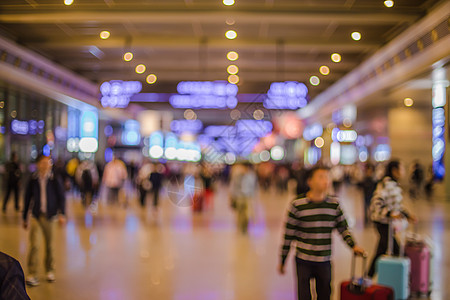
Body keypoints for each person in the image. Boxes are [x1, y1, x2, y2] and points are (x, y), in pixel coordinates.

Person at [279, 166, 365, 300]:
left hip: (324, 260)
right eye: (321, 177)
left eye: (327, 177)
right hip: (303, 260)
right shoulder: (297, 205)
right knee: (304, 296)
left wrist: (353, 245)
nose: (326, 180)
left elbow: (343, 228)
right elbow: (288, 235)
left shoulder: (333, 204)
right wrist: (282, 260)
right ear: (310, 181)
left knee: (325, 294)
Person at [367, 160, 417, 278]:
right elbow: (376, 203)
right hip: (382, 223)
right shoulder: (385, 184)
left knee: (380, 251)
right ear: (395, 170)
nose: (403, 171)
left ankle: (368, 277)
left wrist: (407, 215)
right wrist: (389, 214)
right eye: (402, 168)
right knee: (399, 252)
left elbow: (396, 205)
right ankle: (405, 281)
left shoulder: (393, 184)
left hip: (387, 224)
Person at [22, 154, 66, 286]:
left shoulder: (54, 179)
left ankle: (50, 270)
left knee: (50, 246)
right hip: (37, 216)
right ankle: (32, 273)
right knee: (34, 245)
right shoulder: (33, 179)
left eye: (48, 163)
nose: (45, 165)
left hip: (51, 216)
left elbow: (61, 197)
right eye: (42, 163)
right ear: (38, 164)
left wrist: (62, 214)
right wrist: (25, 217)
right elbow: (27, 198)